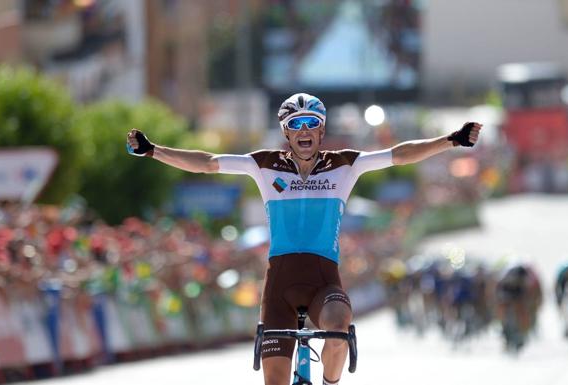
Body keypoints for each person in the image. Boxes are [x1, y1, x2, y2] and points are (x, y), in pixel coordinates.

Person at [127, 93, 481, 385]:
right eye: (296, 124)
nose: (305, 129)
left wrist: (450, 140)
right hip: (279, 283)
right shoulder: (263, 164)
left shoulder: (346, 164)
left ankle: (329, 383)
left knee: (339, 324)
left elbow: (400, 154)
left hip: (323, 280)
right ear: (286, 131)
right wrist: (153, 150)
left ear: (322, 129)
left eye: (312, 122)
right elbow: (206, 162)